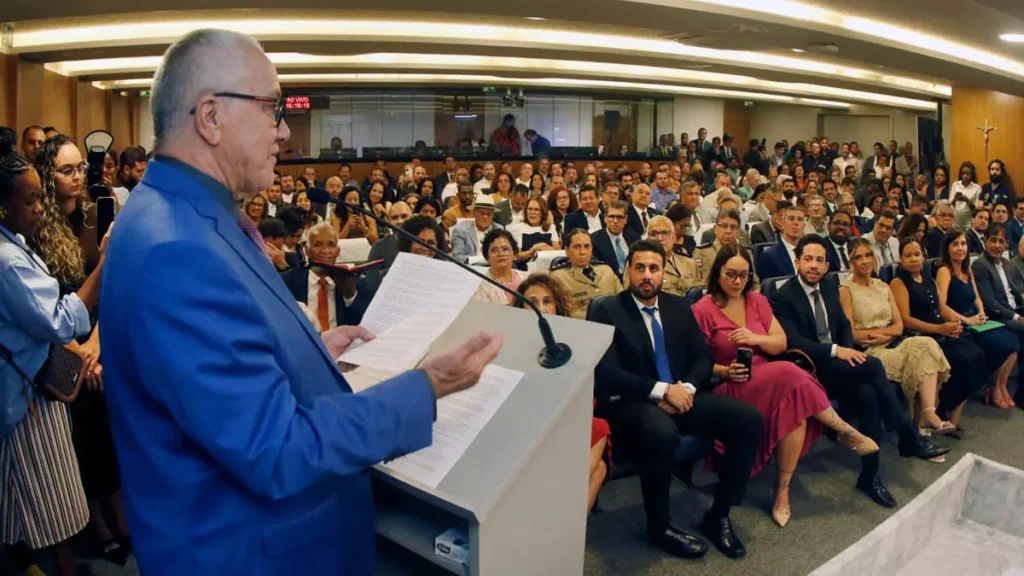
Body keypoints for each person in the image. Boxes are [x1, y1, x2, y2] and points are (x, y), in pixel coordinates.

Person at [98, 29, 504, 575]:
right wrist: (427, 387)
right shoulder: (177, 251)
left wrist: (305, 350)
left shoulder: (177, 213)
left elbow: (221, 364)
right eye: (273, 108)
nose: (285, 130)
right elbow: (276, 451)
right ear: (211, 117)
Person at [588, 240, 762, 560]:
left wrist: (687, 389)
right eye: (639, 267)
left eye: (654, 268)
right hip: (633, 402)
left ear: (663, 273)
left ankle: (718, 514)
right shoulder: (607, 310)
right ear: (627, 270)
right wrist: (664, 391)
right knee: (662, 433)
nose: (646, 275)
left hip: (683, 394)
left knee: (749, 419)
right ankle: (659, 527)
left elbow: (702, 358)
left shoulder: (678, 306)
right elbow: (609, 373)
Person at [693, 246, 876, 526]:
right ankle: (842, 429)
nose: (737, 281)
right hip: (730, 382)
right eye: (730, 274)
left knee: (797, 410)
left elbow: (780, 342)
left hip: (770, 376)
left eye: (743, 275)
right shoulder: (702, 309)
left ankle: (782, 491)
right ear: (717, 273)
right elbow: (697, 361)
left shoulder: (756, 301)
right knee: (790, 372)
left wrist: (755, 339)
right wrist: (725, 370)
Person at [770, 236, 950, 509]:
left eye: (820, 260)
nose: (814, 265)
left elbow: (842, 323)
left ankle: (870, 475)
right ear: (797, 261)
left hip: (839, 365)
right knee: (874, 367)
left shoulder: (829, 286)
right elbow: (793, 341)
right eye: (808, 259)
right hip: (808, 370)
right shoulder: (782, 297)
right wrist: (836, 351)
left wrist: (844, 350)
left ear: (827, 265)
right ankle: (907, 435)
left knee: (869, 395)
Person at [0, 132, 101, 576]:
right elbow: (60, 319)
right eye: (30, 201)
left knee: (24, 500)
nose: (39, 209)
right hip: (26, 396)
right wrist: (105, 267)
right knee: (51, 504)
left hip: (31, 384)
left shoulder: (15, 243)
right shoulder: (9, 261)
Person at [30, 135, 131, 563]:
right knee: (81, 436)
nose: (76, 177)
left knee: (117, 429)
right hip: (60, 345)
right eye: (65, 170)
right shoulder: (33, 228)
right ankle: (97, 519)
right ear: (46, 176)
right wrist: (79, 350)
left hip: (103, 336)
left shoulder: (97, 215)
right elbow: (42, 309)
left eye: (80, 169)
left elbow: (118, 284)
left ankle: (123, 511)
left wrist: (95, 343)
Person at [839, 239, 953, 434]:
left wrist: (885, 336)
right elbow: (852, 334)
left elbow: (899, 326)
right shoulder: (846, 290)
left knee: (926, 344)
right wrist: (885, 334)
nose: (865, 261)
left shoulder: (883, 286)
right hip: (869, 351)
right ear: (851, 262)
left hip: (892, 342)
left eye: (868, 255)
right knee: (920, 357)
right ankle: (920, 426)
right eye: (858, 257)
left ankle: (928, 413)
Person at [890, 237, 989, 432]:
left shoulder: (929, 280)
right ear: (900, 259)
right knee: (964, 360)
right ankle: (933, 413)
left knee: (980, 357)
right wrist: (940, 329)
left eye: (917, 254)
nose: (913, 259)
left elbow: (941, 309)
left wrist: (953, 323)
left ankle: (946, 408)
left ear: (924, 257)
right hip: (919, 337)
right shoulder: (898, 282)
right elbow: (906, 320)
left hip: (939, 331)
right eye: (907, 255)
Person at [935, 229, 1019, 411]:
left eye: (963, 244)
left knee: (1013, 342)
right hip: (960, 323)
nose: (960, 248)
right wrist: (968, 320)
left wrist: (980, 312)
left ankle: (999, 385)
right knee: (1003, 344)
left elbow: (977, 297)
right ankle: (993, 387)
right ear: (947, 248)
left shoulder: (967, 270)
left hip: (976, 320)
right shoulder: (945, 271)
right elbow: (942, 307)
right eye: (955, 244)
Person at [971, 223, 1024, 408]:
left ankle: (1004, 385)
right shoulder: (980, 265)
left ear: (1006, 244)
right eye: (993, 240)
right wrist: (1018, 317)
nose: (997, 245)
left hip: (1013, 311)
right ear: (985, 241)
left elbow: (1018, 293)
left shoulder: (1006, 264)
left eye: (1001, 241)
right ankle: (997, 386)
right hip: (996, 316)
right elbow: (990, 303)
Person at [281, 223, 373, 330]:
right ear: (306, 250)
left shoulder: (356, 284)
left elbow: (364, 325)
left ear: (338, 251)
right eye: (317, 244)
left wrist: (350, 295)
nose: (325, 250)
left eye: (331, 245)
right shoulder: (287, 282)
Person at [692, 209, 756, 288]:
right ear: (715, 229)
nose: (728, 231)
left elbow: (754, 283)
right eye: (724, 226)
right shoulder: (703, 253)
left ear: (739, 232)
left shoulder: (746, 252)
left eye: (733, 227)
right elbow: (701, 286)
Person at [472, 229, 525, 304]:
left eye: (505, 249)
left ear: (514, 254)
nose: (500, 254)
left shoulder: (527, 278)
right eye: (494, 250)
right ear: (487, 258)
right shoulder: (479, 286)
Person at [591, 200, 640, 280]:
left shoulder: (635, 238)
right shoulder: (594, 240)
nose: (615, 221)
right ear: (605, 218)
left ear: (626, 219)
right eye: (611, 216)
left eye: (620, 217)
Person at [756, 202, 805, 280]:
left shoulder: (810, 254)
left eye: (800, 219)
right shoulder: (768, 256)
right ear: (782, 223)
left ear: (804, 226)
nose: (796, 223)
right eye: (791, 218)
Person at [509, 196, 560, 267]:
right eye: (530, 209)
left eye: (536, 210)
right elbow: (516, 257)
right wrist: (533, 251)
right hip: (525, 267)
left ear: (542, 213)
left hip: (548, 267)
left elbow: (558, 253)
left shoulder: (551, 227)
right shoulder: (517, 229)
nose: (532, 212)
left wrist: (545, 246)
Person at [452, 194, 503, 263]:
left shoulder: (498, 230)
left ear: (493, 215)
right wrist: (484, 259)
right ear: (474, 213)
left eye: (489, 214)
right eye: (482, 213)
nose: (485, 217)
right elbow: (458, 257)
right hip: (470, 269)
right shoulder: (461, 230)